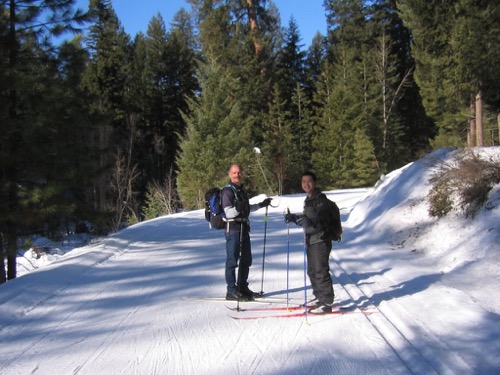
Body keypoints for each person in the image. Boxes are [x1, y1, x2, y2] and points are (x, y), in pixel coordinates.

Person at [284, 171, 335, 313]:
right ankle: (319, 297)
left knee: (320, 270)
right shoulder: (309, 200)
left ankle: (326, 302)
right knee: (312, 271)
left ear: (315, 182)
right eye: (303, 182)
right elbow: (307, 219)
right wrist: (294, 218)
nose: (306, 184)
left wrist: (308, 223)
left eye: (309, 181)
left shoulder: (321, 201)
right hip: (311, 240)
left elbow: (322, 222)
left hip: (321, 239)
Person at [222, 164, 272, 301]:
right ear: (229, 174)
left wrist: (261, 204)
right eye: (234, 173)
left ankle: (242, 287)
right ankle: (231, 291)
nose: (237, 175)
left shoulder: (241, 190)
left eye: (239, 172)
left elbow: (247, 208)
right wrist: (238, 208)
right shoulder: (227, 191)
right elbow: (228, 213)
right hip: (233, 230)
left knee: (246, 260)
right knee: (232, 260)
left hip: (244, 229)